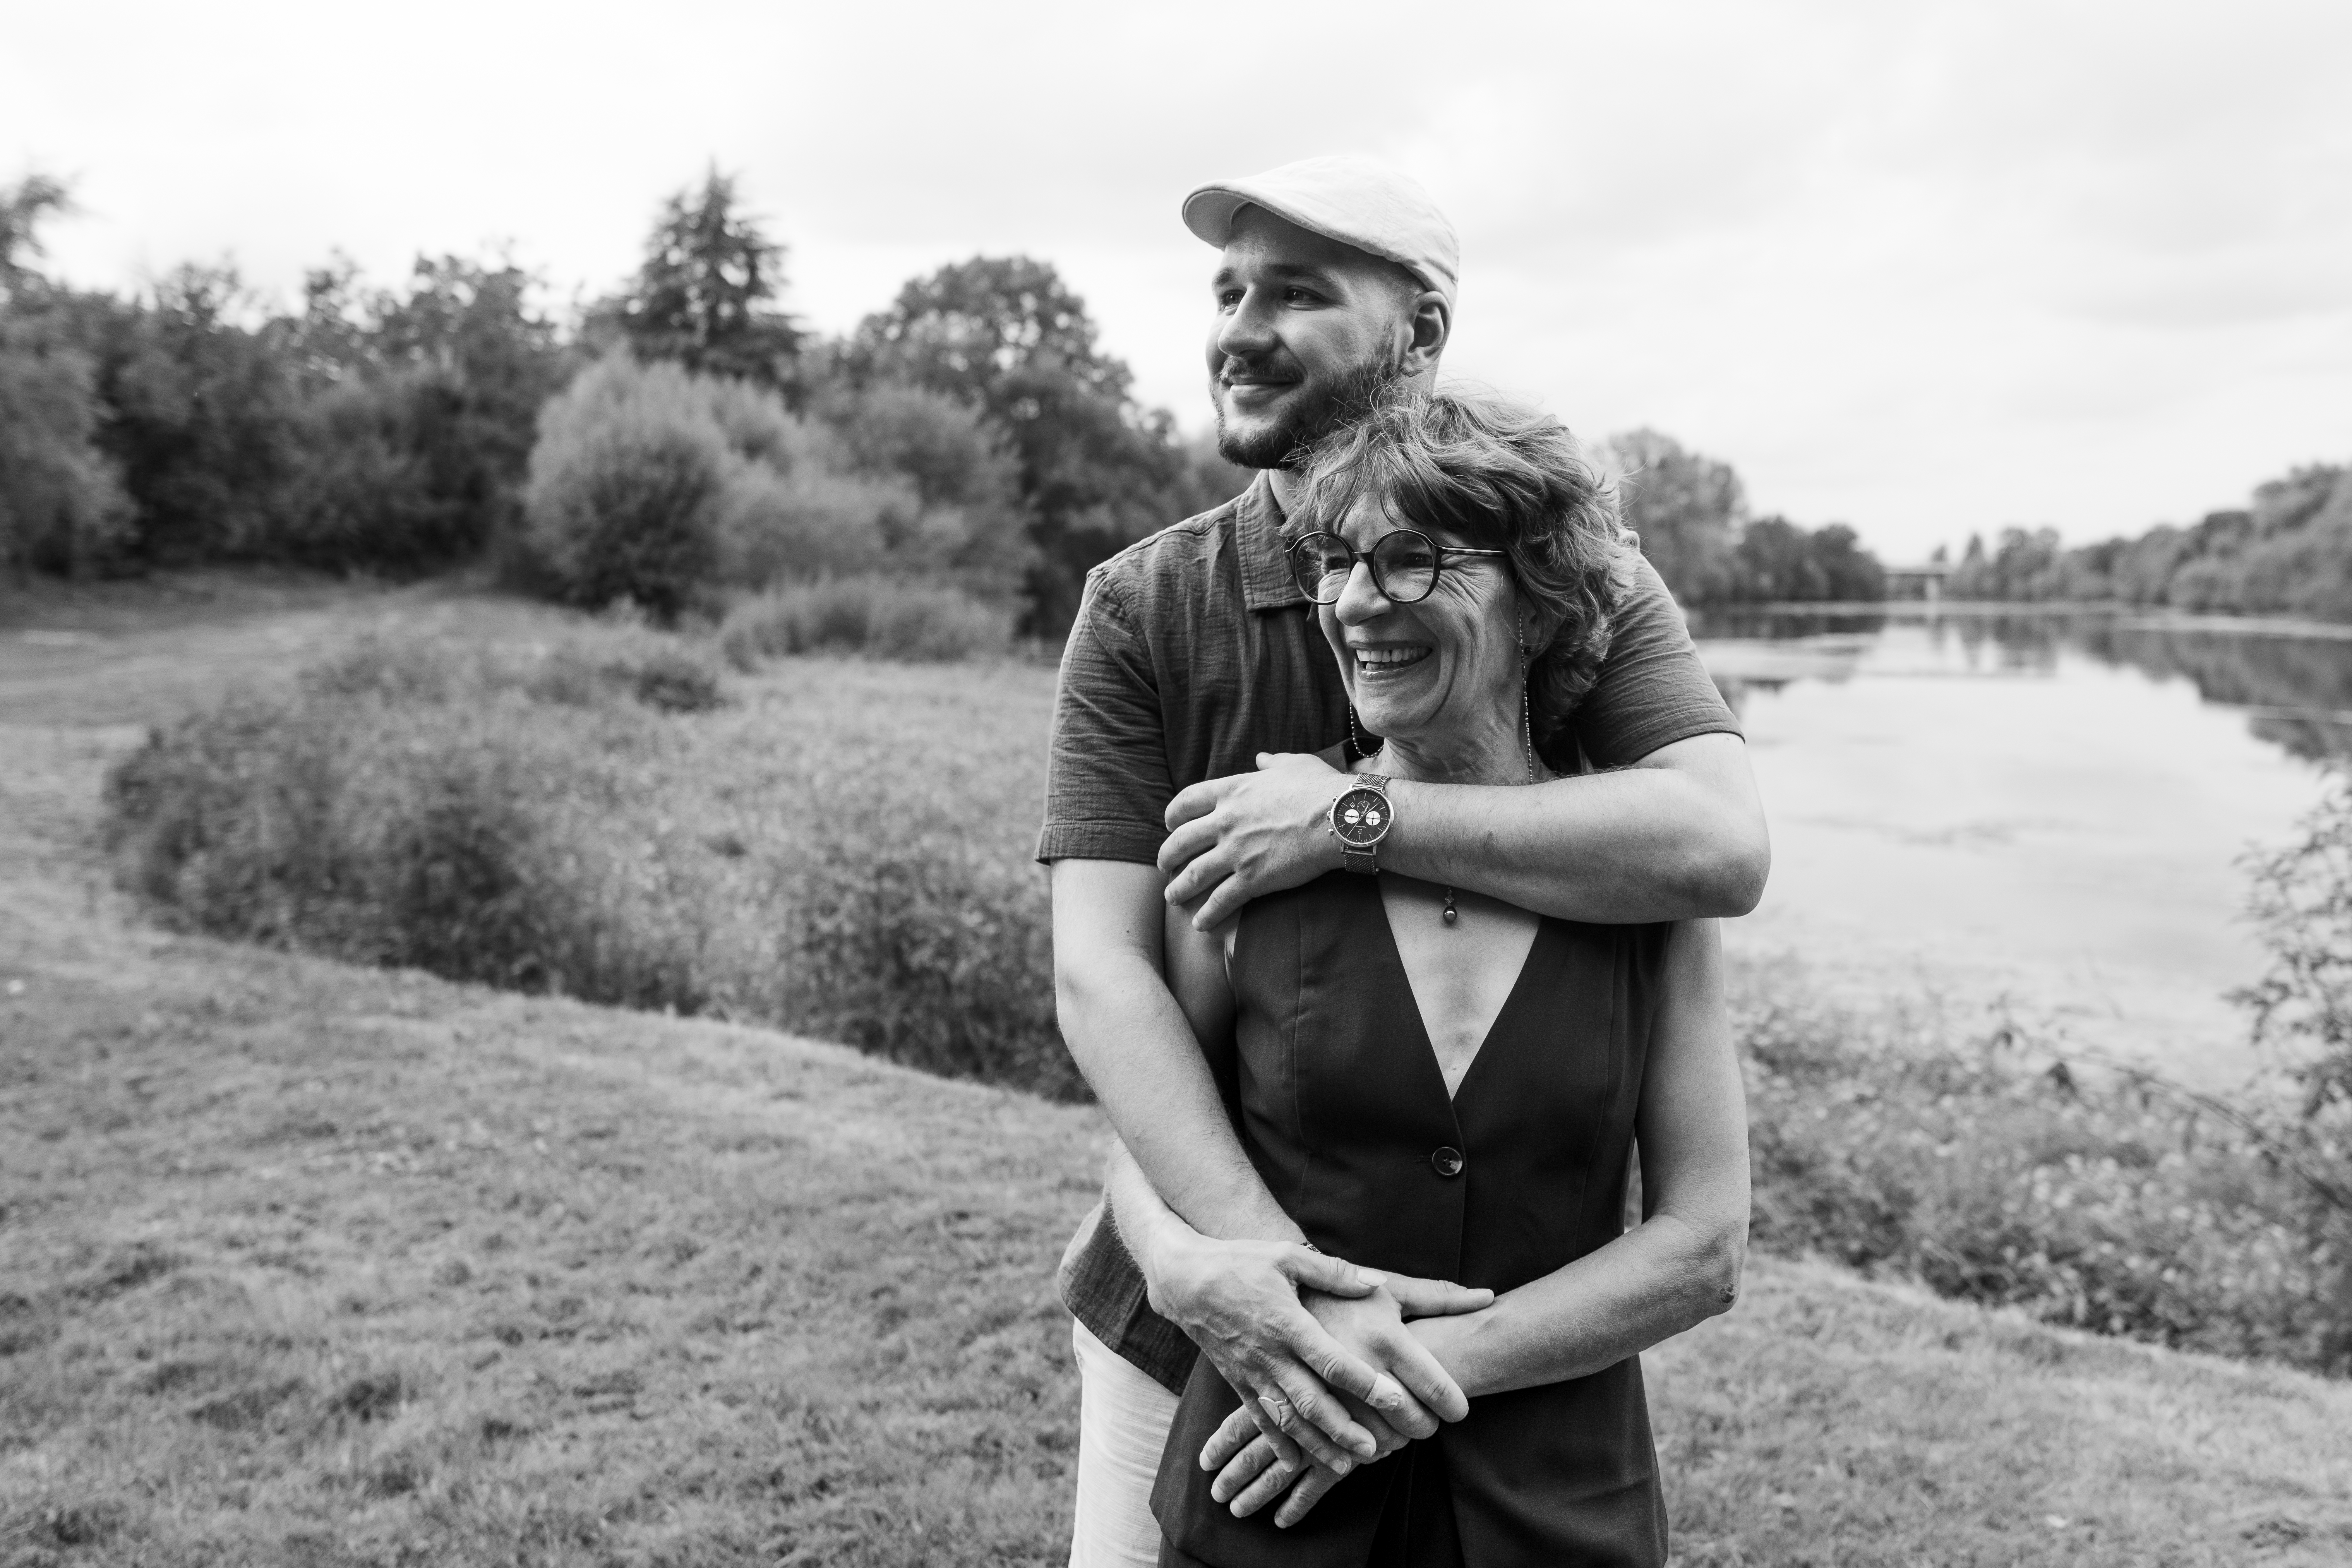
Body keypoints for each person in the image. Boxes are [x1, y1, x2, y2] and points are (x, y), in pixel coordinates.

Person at [1042, 156, 1769, 1567]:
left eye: (1297, 293)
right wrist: (1249, 1279)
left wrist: (1342, 819)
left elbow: (1716, 846)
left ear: (1421, 335)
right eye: (1228, 289)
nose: (1238, 328)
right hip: (1191, 1327)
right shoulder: (1142, 606)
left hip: (1526, 1407)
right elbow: (1101, 982)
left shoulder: (1576, 575)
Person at [1146, 384, 1750, 1565]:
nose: (1358, 602)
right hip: (1265, 1509)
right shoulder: (1243, 840)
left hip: (1556, 1518)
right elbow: (1150, 1135)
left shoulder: (1641, 877)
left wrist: (1390, 1381)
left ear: (1541, 598)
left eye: (1414, 561)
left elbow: (1701, 1245)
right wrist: (1180, 1263)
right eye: (1338, 559)